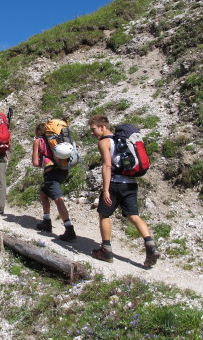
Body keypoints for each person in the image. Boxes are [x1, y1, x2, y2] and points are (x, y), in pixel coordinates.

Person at [88, 114, 160, 268]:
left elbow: (107, 166)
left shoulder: (104, 143)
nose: (92, 133)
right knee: (133, 216)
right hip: (131, 184)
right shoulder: (124, 141)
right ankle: (150, 244)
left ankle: (106, 250)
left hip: (114, 184)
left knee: (104, 214)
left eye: (94, 129)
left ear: (102, 127)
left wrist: (105, 189)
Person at [31, 123, 76, 241]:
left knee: (58, 199)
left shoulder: (38, 141)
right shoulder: (56, 141)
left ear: (38, 132)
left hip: (51, 173)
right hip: (63, 170)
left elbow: (35, 163)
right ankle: (46, 221)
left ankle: (69, 229)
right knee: (43, 193)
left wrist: (46, 164)